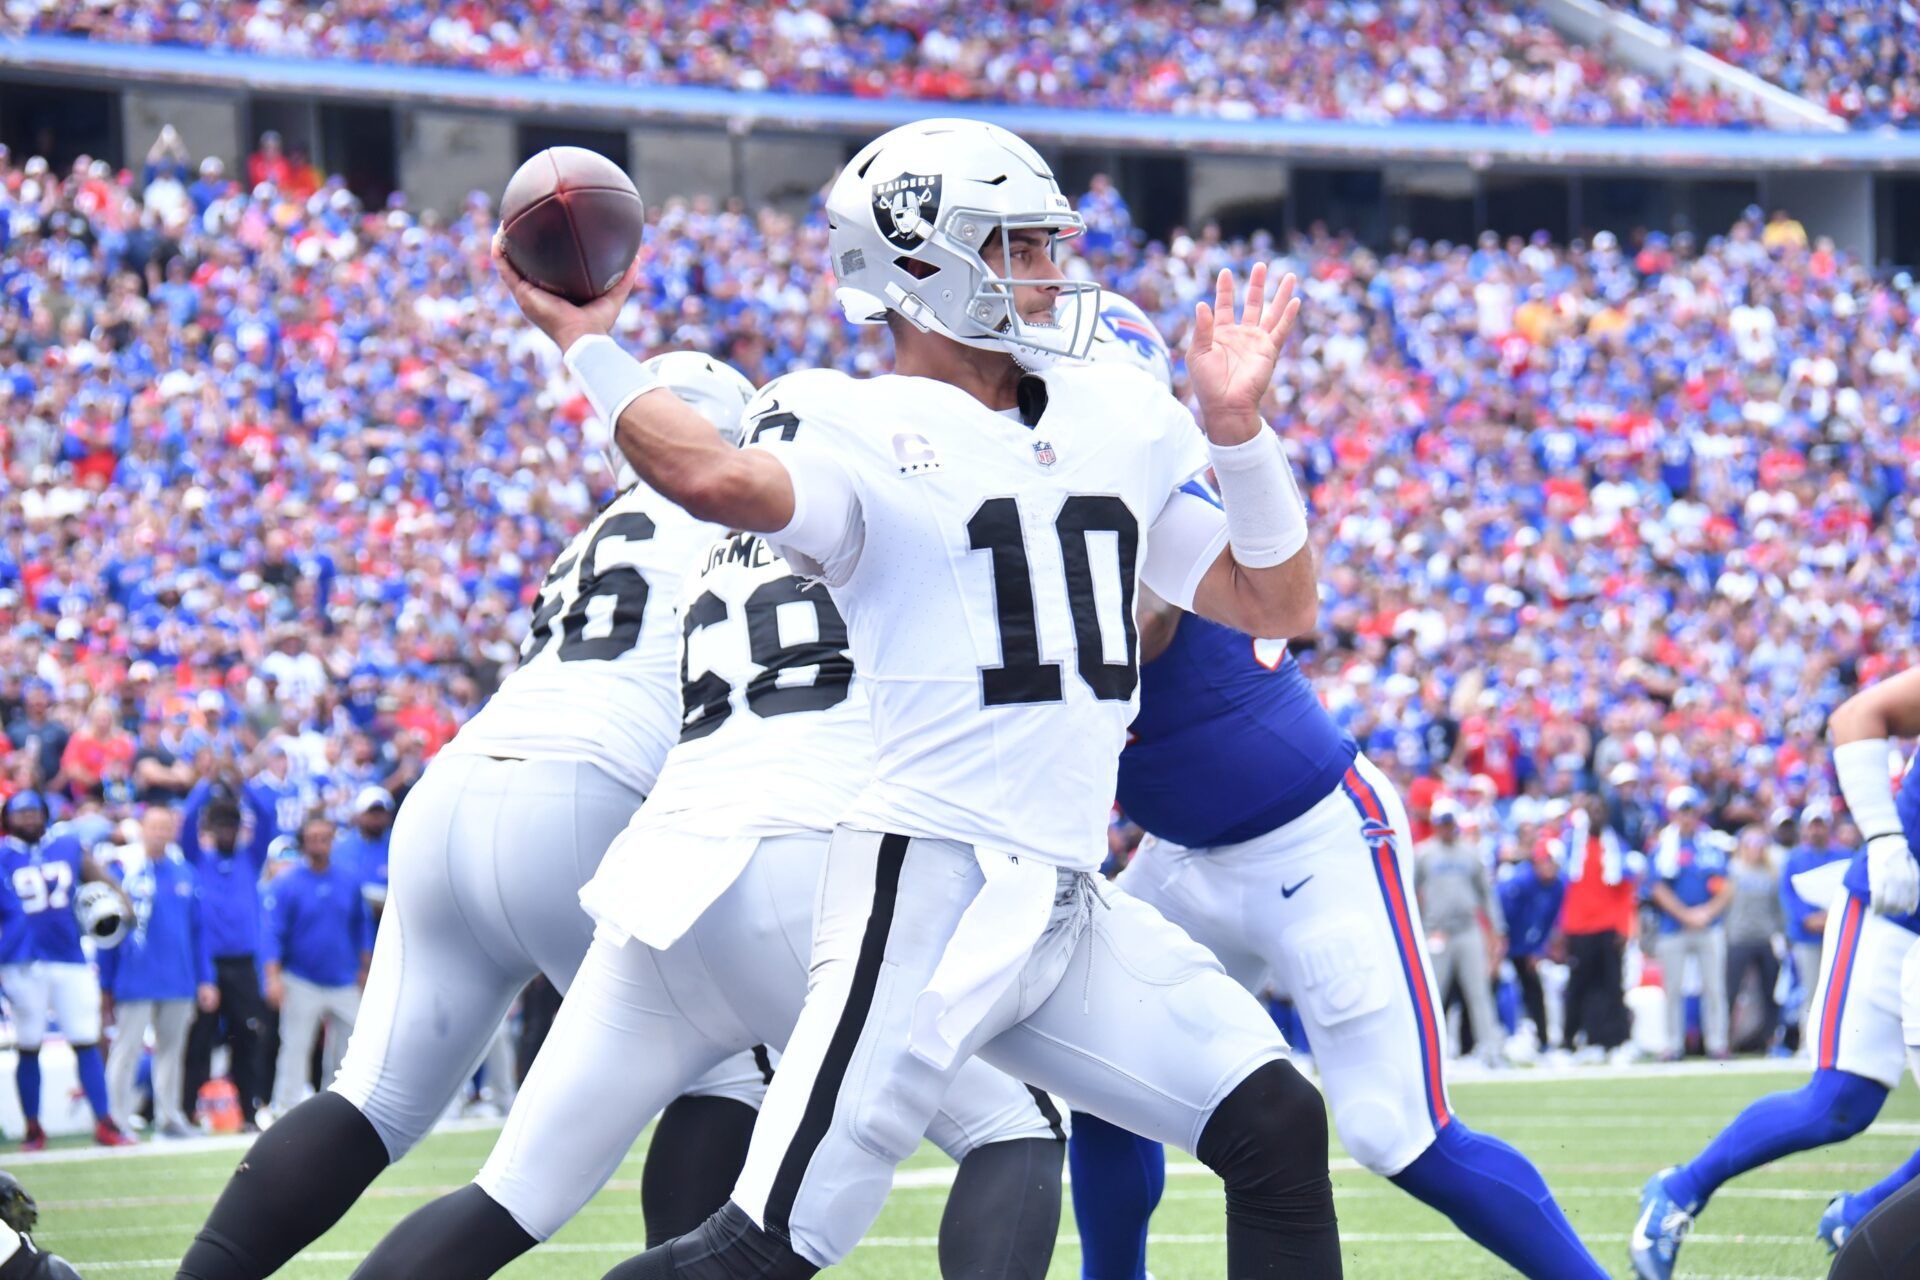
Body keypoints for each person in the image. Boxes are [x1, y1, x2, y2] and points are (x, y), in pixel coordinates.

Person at [497, 118, 1338, 1279]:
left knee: (1277, 1121)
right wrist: (592, 345)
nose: (1052, 273)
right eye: (1020, 246)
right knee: (765, 1246)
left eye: (1050, 245)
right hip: (924, 891)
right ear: (922, 259)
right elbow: (709, 474)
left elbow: (1275, 598)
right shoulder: (851, 417)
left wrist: (1238, 436)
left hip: (1057, 893)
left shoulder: (1115, 415)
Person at [353, 487, 1068, 1279]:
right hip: (807, 864)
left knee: (513, 1193)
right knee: (1012, 1127)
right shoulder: (898, 524)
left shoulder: (708, 559)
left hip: (662, 884)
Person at [1632, 668, 1920, 1279]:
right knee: (1838, 1104)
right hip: (1891, 911)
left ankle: (1863, 1212)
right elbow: (1856, 718)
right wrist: (1887, 837)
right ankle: (1680, 1190)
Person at [0, 790, 133, 1148]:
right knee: (28, 1044)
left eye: (33, 811)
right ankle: (32, 1127)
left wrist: (121, 900)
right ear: (7, 818)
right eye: (20, 812)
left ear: (45, 813)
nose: (28, 818)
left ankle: (105, 1122)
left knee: (86, 1039)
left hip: (68, 956)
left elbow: (98, 877)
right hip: (20, 961)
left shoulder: (67, 845)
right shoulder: (3, 855)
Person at [99, 805, 215, 1138]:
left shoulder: (185, 874)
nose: (160, 833)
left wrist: (204, 979)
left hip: (178, 979)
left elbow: (198, 933)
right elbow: (109, 934)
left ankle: (169, 1117)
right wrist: (107, 984)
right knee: (127, 1050)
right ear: (142, 829)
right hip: (135, 979)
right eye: (155, 827)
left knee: (172, 1052)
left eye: (167, 827)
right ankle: (115, 1119)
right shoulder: (123, 872)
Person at [179, 774, 276, 1126]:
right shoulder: (196, 859)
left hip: (244, 965)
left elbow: (267, 815)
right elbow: (186, 821)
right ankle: (189, 1112)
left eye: (231, 825)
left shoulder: (250, 858)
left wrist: (241, 783)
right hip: (207, 966)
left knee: (248, 1036)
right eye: (219, 825)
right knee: (200, 1040)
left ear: (239, 829)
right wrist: (205, 781)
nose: (225, 831)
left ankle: (249, 1111)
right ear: (210, 828)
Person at [260, 812, 371, 1118]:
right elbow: (272, 933)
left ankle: (338, 1110)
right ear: (303, 843)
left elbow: (362, 928)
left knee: (351, 1049)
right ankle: (284, 1111)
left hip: (344, 978)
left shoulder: (348, 880)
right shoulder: (287, 883)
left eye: (324, 838)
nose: (318, 844)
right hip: (301, 978)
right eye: (312, 839)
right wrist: (273, 977)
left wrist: (364, 969)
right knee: (295, 1047)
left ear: (332, 840)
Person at [1644, 787, 1734, 1061]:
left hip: (1709, 924)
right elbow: (1657, 888)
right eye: (1682, 811)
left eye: (1691, 811)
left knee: (1714, 988)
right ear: (1673, 814)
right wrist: (1686, 915)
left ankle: (1717, 1043)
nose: (1687, 817)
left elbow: (1727, 885)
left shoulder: (1711, 844)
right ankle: (1672, 1044)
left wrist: (1706, 912)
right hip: (1673, 927)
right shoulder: (1663, 847)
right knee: (1672, 989)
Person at [1416, 801, 1507, 1066]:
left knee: (1478, 992)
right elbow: (1408, 893)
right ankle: (1426, 1054)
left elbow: (1486, 894)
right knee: (1432, 996)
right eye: (1442, 823)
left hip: (1468, 929)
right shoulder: (1423, 854)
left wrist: (1496, 929)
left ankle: (1491, 1051)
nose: (1446, 828)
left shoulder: (1470, 853)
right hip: (1436, 932)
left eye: (1450, 822)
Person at [1558, 795, 1640, 1059]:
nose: (1597, 815)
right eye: (1592, 810)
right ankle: (1569, 1042)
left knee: (1612, 986)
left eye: (1601, 810)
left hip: (1607, 927)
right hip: (1578, 927)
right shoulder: (1570, 845)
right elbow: (1561, 888)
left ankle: (1615, 1042)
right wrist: (1561, 928)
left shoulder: (1616, 846)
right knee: (1578, 987)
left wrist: (1624, 928)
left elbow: (1626, 892)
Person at [1782, 800, 1851, 1041]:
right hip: (1807, 936)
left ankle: (1838, 1042)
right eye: (1812, 826)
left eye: (1821, 825)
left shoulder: (1843, 855)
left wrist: (1830, 917)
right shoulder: (1794, 858)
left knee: (1840, 991)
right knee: (1811, 990)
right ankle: (1808, 1042)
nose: (1816, 830)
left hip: (1838, 934)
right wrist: (1808, 918)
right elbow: (1788, 896)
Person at [1499, 831, 1566, 1058]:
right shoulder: (1520, 882)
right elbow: (1501, 914)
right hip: (1504, 941)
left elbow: (1548, 922)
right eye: (1546, 861)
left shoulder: (1557, 886)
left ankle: (1543, 1041)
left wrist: (1537, 948)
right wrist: (1498, 945)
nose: (1550, 867)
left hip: (1526, 946)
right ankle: (1495, 1039)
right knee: (1495, 988)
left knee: (1534, 991)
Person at [1722, 825, 1784, 1053]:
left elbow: (1778, 909)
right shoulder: (1733, 870)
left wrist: (1780, 935)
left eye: (1760, 844)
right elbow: (1724, 905)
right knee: (1731, 991)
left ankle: (1770, 1041)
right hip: (1738, 937)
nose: (1756, 849)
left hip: (1765, 937)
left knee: (1771, 992)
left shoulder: (1772, 873)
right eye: (1751, 844)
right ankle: (1724, 1041)